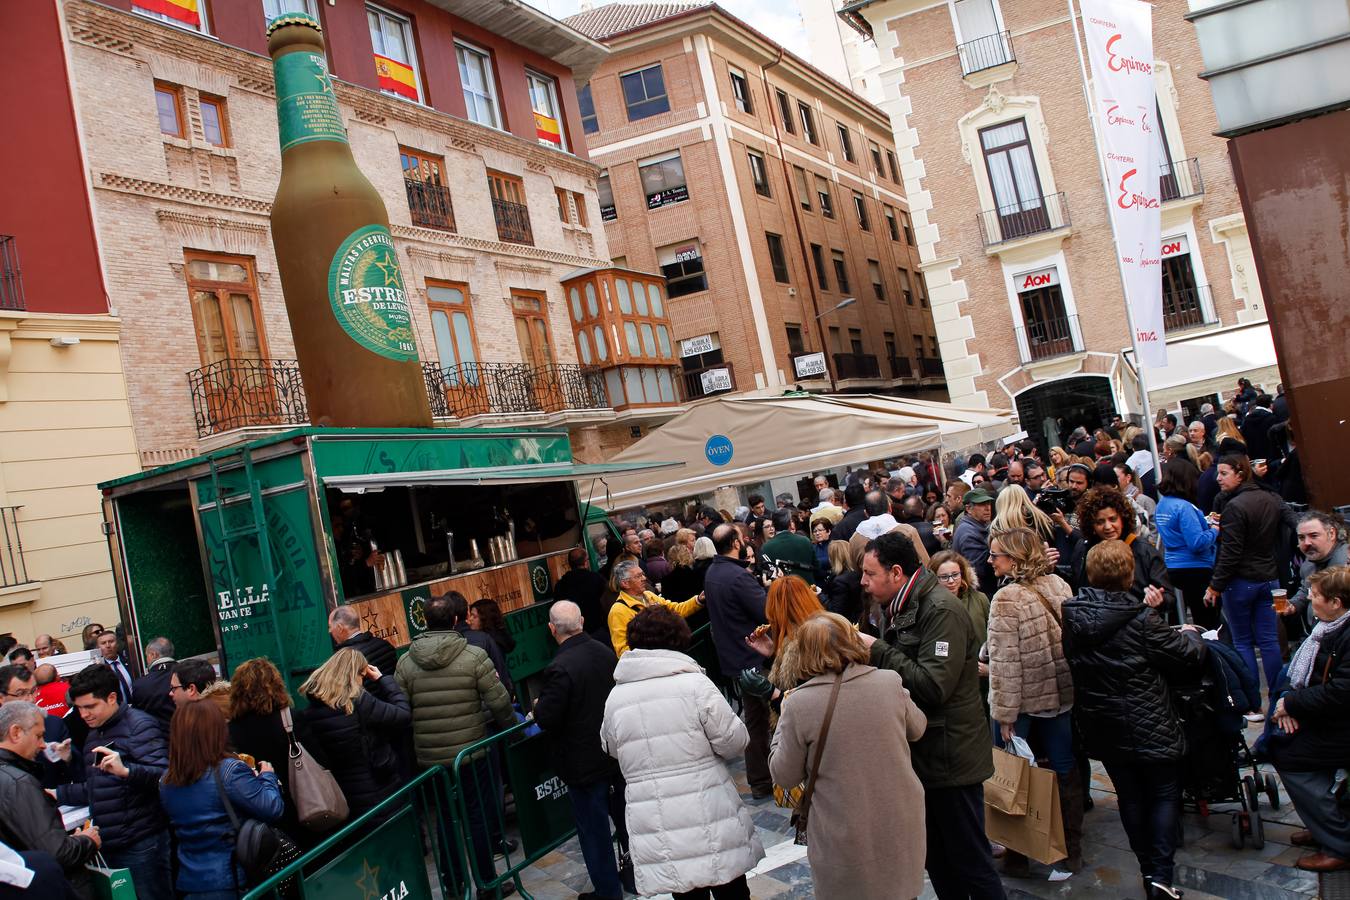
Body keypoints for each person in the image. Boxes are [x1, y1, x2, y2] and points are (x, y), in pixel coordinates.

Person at [856, 532, 1003, 899]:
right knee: (937, 859)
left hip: (951, 757)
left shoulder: (939, 610)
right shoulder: (904, 605)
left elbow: (935, 685)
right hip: (927, 756)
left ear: (896, 572)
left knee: (971, 861)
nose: (863, 582)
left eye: (869, 574)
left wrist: (878, 651)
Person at [1063, 539, 1207, 898]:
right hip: (1149, 720)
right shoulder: (1142, 619)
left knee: (1130, 795)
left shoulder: (1073, 615)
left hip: (1103, 722)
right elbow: (1185, 656)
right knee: (1162, 794)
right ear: (1129, 576)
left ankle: (1149, 870)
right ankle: (1159, 875)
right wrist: (1194, 636)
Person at [601, 606, 765, 899]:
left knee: (685, 891)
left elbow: (611, 747)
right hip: (709, 809)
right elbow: (734, 741)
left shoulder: (617, 696)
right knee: (732, 890)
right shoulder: (694, 684)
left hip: (656, 817)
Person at [768, 613, 928, 900]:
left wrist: (781, 720)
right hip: (899, 819)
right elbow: (918, 728)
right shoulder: (888, 681)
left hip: (842, 828)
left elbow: (785, 775)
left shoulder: (800, 702)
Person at [395, 595, 514, 893]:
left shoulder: (406, 663)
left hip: (432, 762)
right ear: (454, 621)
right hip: (472, 754)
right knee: (478, 817)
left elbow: (400, 709)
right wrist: (513, 731)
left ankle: (453, 887)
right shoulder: (473, 655)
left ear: (424, 622)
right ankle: (487, 884)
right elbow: (499, 702)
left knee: (445, 820)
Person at [986, 528, 1083, 874]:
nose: (991, 560)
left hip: (1025, 700)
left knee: (1012, 775)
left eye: (996, 555)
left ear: (1013, 559)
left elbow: (1005, 663)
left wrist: (1004, 714)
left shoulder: (1006, 599)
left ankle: (1017, 853)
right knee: (1063, 767)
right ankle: (1070, 848)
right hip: (1061, 693)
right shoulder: (1059, 585)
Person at [532, 602, 631, 900]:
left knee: (595, 832)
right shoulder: (603, 651)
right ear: (583, 621)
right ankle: (633, 876)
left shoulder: (559, 667)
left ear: (552, 630)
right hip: (611, 754)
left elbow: (547, 717)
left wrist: (538, 707)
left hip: (583, 763)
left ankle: (608, 891)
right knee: (625, 821)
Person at [56, 664, 172, 900]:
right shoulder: (95, 731)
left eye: (90, 707)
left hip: (142, 843)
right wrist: (58, 792)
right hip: (111, 842)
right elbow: (98, 785)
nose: (84, 714)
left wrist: (126, 771)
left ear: (111, 697)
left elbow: (165, 776)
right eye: (78, 708)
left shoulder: (139, 725)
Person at [1269, 566, 1350, 872]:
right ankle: (1325, 825)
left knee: (1289, 756)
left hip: (1340, 724)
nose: (1310, 600)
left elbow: (1341, 692)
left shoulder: (1345, 633)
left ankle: (1337, 842)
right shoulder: (1328, 627)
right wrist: (1288, 703)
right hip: (1329, 719)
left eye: (1315, 595)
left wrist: (1291, 702)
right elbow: (1299, 672)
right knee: (1284, 742)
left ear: (1336, 602)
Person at [159, 700, 284, 899]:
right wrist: (267, 777)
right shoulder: (229, 770)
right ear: (216, 731)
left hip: (191, 882)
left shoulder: (166, 781)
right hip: (232, 878)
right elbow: (272, 808)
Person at [702, 524, 773, 800]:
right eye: (741, 539)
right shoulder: (736, 576)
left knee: (755, 720)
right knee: (760, 720)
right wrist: (769, 589)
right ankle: (763, 780)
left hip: (735, 656)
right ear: (734, 543)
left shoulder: (714, 572)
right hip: (752, 657)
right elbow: (765, 611)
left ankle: (761, 779)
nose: (745, 542)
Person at [0, 701, 100, 895]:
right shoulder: (19, 782)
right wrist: (87, 841)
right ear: (16, 732)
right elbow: (57, 853)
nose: (43, 744)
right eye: (38, 736)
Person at [1205, 454, 1284, 696]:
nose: (1218, 478)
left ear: (1240, 474)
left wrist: (1215, 586)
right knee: (1269, 641)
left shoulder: (1235, 507)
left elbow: (1230, 552)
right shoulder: (1269, 498)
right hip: (1269, 577)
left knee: (1243, 641)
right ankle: (1277, 694)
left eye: (1224, 473)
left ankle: (1252, 701)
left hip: (1242, 581)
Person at [297, 648, 410, 817]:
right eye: (362, 676)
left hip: (345, 793)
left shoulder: (312, 710)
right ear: (353, 674)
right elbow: (403, 714)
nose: (363, 682)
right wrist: (382, 679)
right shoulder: (359, 702)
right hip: (379, 788)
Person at [1069, 487, 1171, 606]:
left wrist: (1159, 599)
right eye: (1100, 522)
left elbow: (1168, 594)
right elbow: (1075, 584)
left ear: (1123, 518)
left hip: (1137, 619)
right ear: (1091, 525)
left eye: (1112, 519)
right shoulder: (1084, 547)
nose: (1108, 526)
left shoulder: (1143, 549)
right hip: (1095, 619)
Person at [1154, 458, 1221, 630]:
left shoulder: (1162, 504)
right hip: (1195, 568)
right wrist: (1214, 529)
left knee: (1181, 619)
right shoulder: (1184, 507)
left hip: (1174, 566)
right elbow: (1197, 542)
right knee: (1207, 623)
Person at [0, 665, 81, 790]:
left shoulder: (53, 724)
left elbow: (79, 775)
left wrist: (69, 758)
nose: (31, 699)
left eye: (33, 691)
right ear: (1, 697)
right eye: (21, 693)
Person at [926, 551, 990, 698]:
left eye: (955, 574)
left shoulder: (979, 599)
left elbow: (992, 637)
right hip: (948, 683)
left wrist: (989, 668)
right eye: (944, 577)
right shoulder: (928, 606)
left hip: (980, 680)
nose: (951, 581)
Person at [606, 559, 703, 657]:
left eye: (643, 574)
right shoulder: (618, 611)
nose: (644, 578)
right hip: (651, 665)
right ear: (625, 583)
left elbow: (675, 610)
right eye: (638, 576)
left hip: (667, 654)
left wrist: (698, 600)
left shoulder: (649, 595)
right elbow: (624, 651)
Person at [1286, 511, 1348, 627]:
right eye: (1301, 537)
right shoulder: (1312, 559)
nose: (1307, 543)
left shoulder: (1345, 565)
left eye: (1314, 536)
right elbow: (1306, 589)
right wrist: (1293, 604)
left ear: (1331, 534)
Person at [555, 547, 611, 642]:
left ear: (569, 564)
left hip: (574, 633)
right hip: (597, 630)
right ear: (586, 562)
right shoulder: (597, 579)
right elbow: (608, 602)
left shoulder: (561, 584)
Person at [328, 604, 397, 674]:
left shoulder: (343, 660)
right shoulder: (385, 645)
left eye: (330, 627)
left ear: (340, 628)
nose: (329, 631)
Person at [952, 487, 996, 596]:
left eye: (988, 503)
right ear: (968, 509)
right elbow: (980, 571)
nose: (987, 508)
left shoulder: (979, 526)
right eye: (981, 504)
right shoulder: (968, 534)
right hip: (982, 594)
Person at [760, 508, 817, 584]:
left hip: (785, 592)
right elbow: (816, 567)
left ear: (773, 525)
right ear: (790, 523)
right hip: (808, 589)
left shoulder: (766, 548)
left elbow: (769, 574)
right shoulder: (804, 540)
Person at [130, 637, 177, 728]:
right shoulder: (189, 672)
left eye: (146, 655)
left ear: (153, 655)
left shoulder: (140, 685)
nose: (146, 660)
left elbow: (138, 716)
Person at [95, 630, 132, 702]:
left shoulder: (130, 661)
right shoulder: (99, 670)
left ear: (117, 644)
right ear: (98, 648)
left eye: (111, 641)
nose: (108, 645)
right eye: (103, 643)